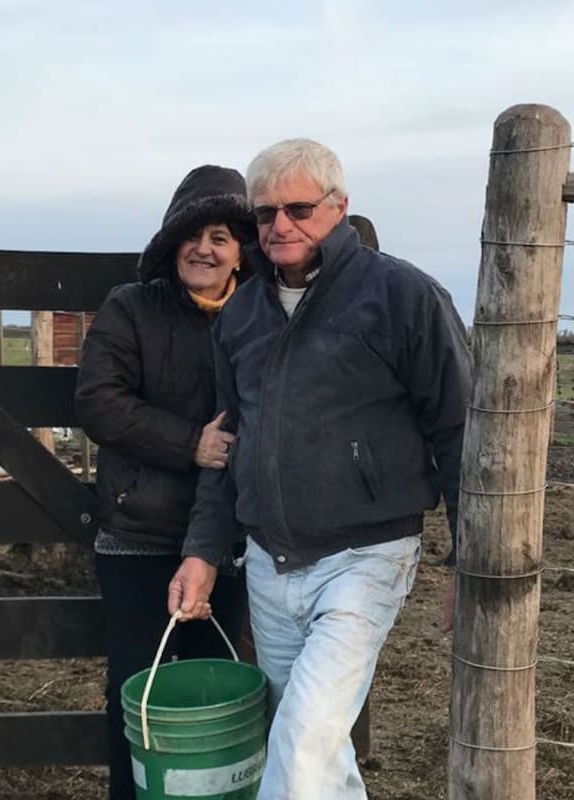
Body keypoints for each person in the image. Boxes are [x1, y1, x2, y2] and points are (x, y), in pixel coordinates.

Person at [167, 139, 471, 799]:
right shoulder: (242, 315)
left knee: (303, 740)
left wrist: (466, 557)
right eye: (265, 213)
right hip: (270, 561)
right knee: (313, 748)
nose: (280, 226)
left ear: (338, 207)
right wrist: (202, 552)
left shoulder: (401, 295)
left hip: (367, 553)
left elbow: (459, 428)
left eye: (299, 208)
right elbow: (230, 443)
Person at [74, 164, 254, 800]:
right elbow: (97, 400)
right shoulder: (132, 307)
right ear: (171, 240)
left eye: (221, 236)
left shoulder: (261, 315)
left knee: (219, 688)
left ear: (240, 250)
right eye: (192, 234)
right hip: (139, 533)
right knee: (138, 690)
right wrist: (190, 444)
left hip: (231, 539)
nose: (204, 249)